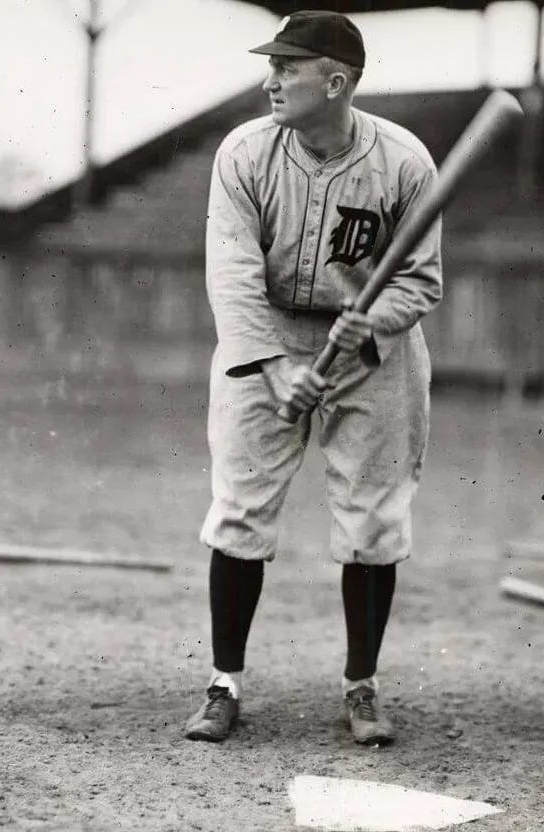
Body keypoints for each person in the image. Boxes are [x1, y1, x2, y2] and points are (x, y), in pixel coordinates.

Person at [185, 10, 442, 745]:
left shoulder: (404, 162)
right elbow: (232, 274)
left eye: (286, 67)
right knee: (240, 509)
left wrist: (373, 318)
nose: (270, 80)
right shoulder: (245, 153)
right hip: (265, 329)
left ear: (335, 83)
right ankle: (224, 683)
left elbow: (420, 281)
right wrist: (273, 367)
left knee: (372, 520)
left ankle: (361, 685)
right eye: (272, 65)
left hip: (371, 346)